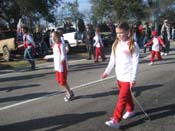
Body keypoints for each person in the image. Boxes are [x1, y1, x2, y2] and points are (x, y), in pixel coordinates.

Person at [101, 22, 139, 129]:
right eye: (117, 33)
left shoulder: (133, 44)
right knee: (126, 97)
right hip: (119, 76)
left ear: (127, 32)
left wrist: (133, 78)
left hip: (128, 77)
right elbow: (112, 60)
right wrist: (106, 72)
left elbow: (135, 62)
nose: (119, 35)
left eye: (121, 33)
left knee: (122, 98)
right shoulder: (116, 44)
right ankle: (131, 110)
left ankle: (116, 120)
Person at [44, 31, 74, 102]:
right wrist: (47, 56)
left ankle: (70, 93)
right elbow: (55, 55)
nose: (53, 38)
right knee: (59, 81)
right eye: (52, 36)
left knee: (63, 81)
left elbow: (63, 55)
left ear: (58, 37)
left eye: (54, 36)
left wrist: (61, 61)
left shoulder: (61, 45)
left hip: (62, 66)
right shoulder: (54, 45)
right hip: (57, 66)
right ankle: (69, 92)